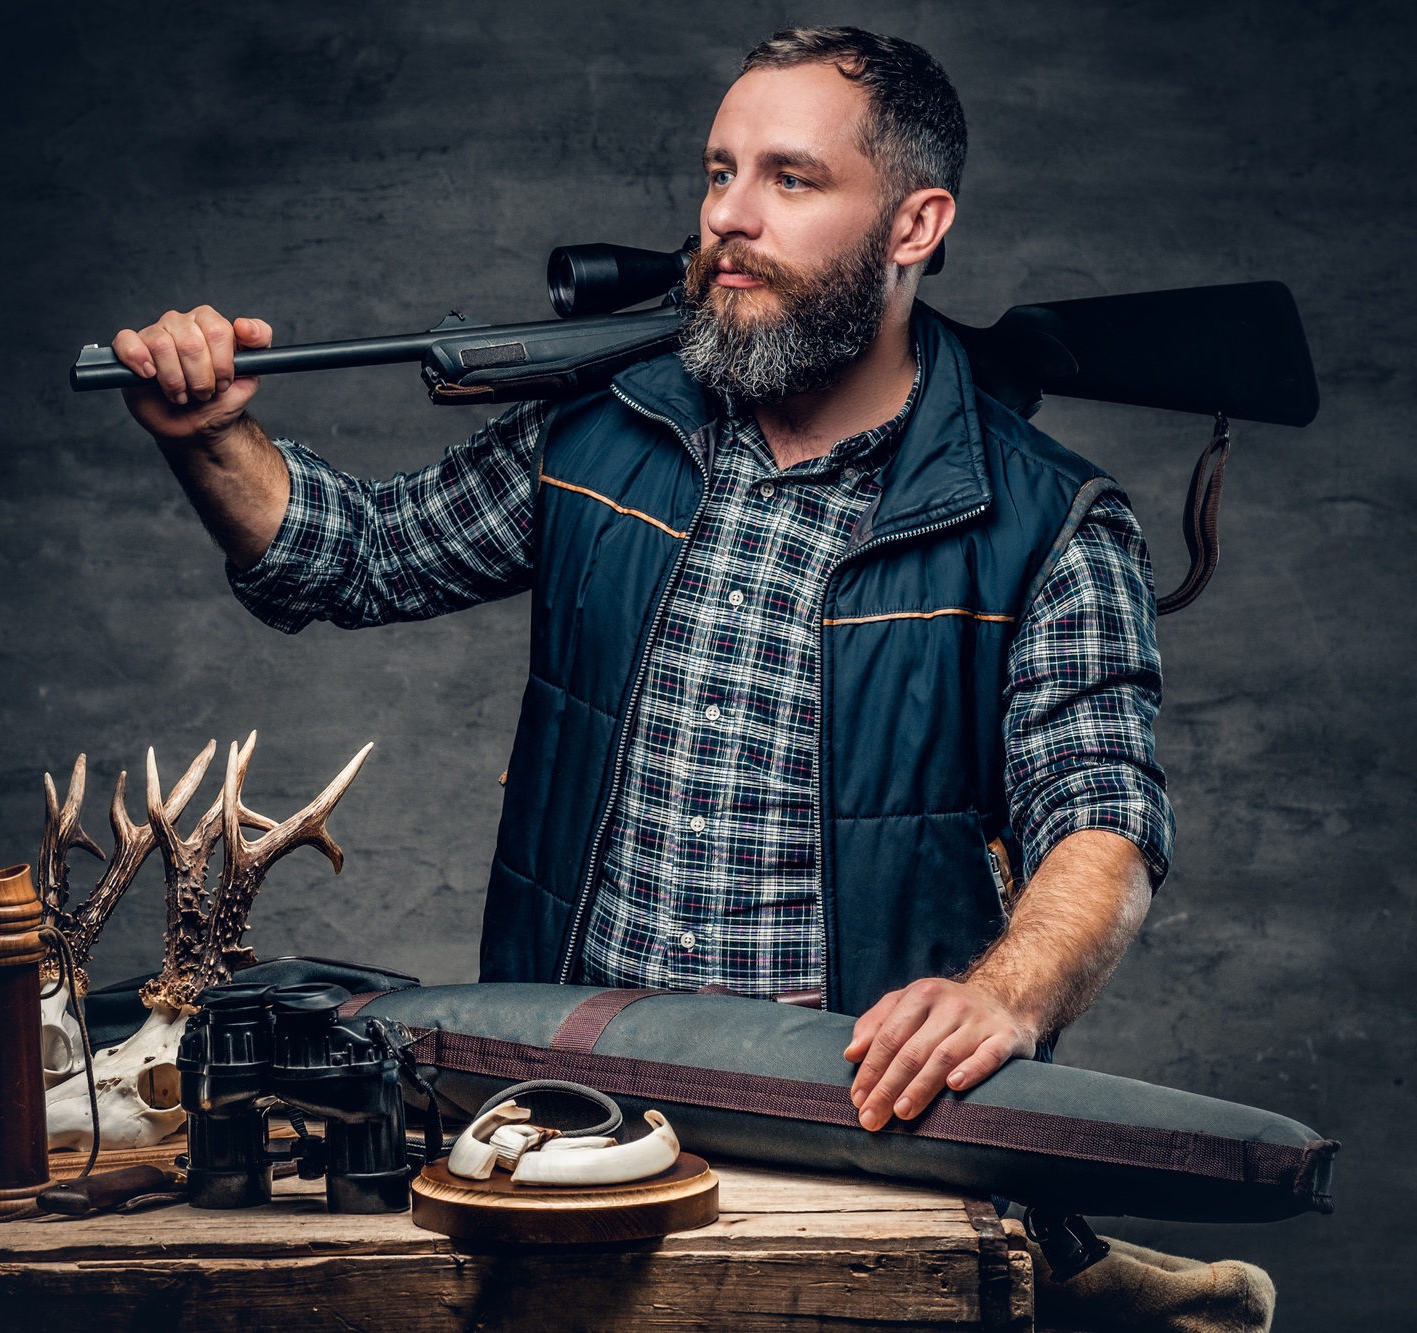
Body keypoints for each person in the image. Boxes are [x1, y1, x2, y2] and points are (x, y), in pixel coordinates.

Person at [108, 28, 1171, 1133]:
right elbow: (361, 557)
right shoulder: (611, 423)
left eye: (789, 179)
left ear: (914, 224)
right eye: (720, 172)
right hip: (571, 1101)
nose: (727, 216)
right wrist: (209, 435)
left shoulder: (1050, 521)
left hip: (855, 1120)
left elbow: (1101, 818)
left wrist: (999, 996)